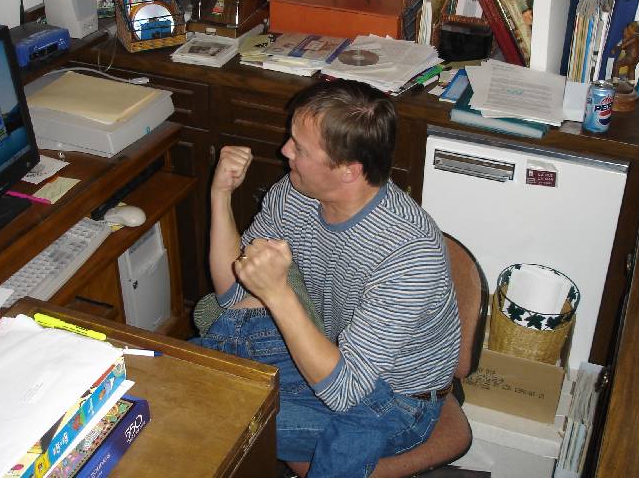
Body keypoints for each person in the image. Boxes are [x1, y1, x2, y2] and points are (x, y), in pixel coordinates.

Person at [192, 79, 460, 476]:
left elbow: (345, 391)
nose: (284, 151)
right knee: (184, 379)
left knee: (208, 414)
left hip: (395, 402)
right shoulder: (297, 194)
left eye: (299, 148)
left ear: (349, 170)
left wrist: (278, 294)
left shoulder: (410, 254)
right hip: (330, 353)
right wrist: (221, 195)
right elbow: (232, 293)